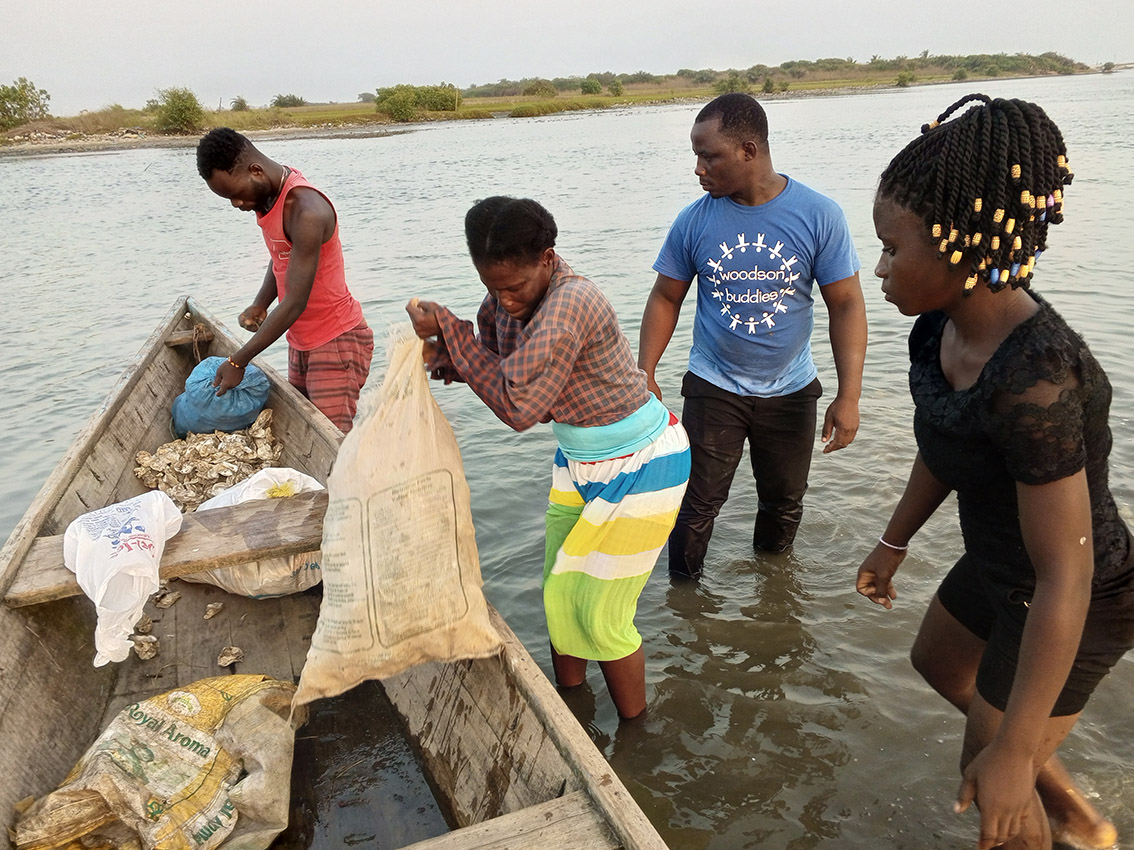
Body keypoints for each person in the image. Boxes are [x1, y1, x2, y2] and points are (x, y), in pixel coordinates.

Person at [857, 93, 1134, 850]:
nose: (876, 266)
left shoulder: (1034, 379)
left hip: (1078, 590)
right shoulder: (936, 331)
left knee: (991, 777)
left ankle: (1034, 798)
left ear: (961, 246)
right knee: (937, 659)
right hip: (1000, 562)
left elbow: (1065, 576)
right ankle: (1075, 811)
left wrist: (1012, 749)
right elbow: (947, 441)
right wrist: (894, 540)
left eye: (891, 247)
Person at [406, 197, 691, 719]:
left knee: (600, 613)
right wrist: (452, 356)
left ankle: (636, 734)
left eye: (515, 286)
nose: (505, 300)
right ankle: (570, 709)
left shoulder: (570, 305)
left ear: (547, 258)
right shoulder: (502, 306)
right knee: (560, 592)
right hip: (579, 461)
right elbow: (503, 376)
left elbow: (519, 410)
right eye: (493, 286)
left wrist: (454, 332)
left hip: (644, 463)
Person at [639, 93, 867, 578]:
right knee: (696, 505)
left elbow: (845, 304)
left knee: (783, 504)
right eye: (696, 156)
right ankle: (685, 599)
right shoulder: (694, 221)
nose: (699, 169)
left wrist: (850, 397)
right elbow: (665, 297)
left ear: (748, 149)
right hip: (714, 384)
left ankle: (774, 599)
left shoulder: (818, 215)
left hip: (790, 388)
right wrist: (646, 371)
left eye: (709, 156)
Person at [195, 127, 372, 433]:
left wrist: (239, 361)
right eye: (228, 199)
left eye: (235, 194)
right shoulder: (266, 200)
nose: (236, 204)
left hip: (336, 340)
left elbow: (294, 303)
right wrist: (260, 304)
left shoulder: (306, 212)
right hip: (301, 341)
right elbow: (282, 257)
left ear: (255, 170)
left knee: (331, 440)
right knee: (306, 430)